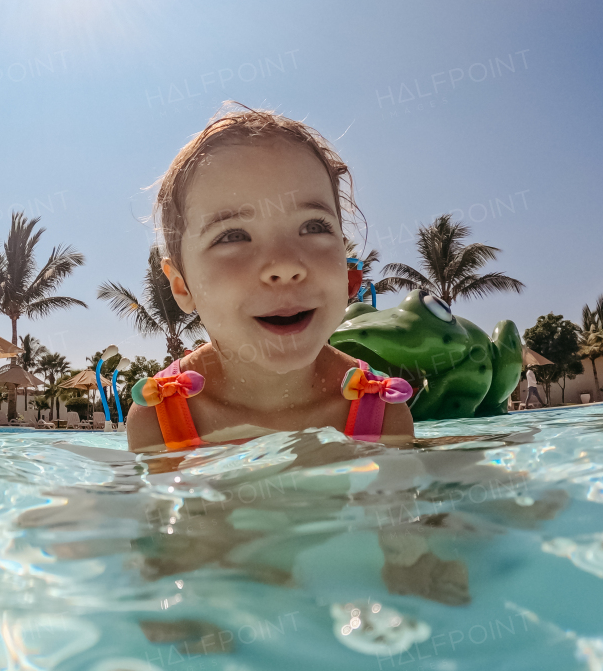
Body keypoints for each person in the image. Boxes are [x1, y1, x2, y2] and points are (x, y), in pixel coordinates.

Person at [127, 106, 414, 453]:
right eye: (232, 236)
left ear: (344, 256)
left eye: (313, 227)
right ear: (181, 286)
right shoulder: (159, 418)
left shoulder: (382, 412)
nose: (284, 265)